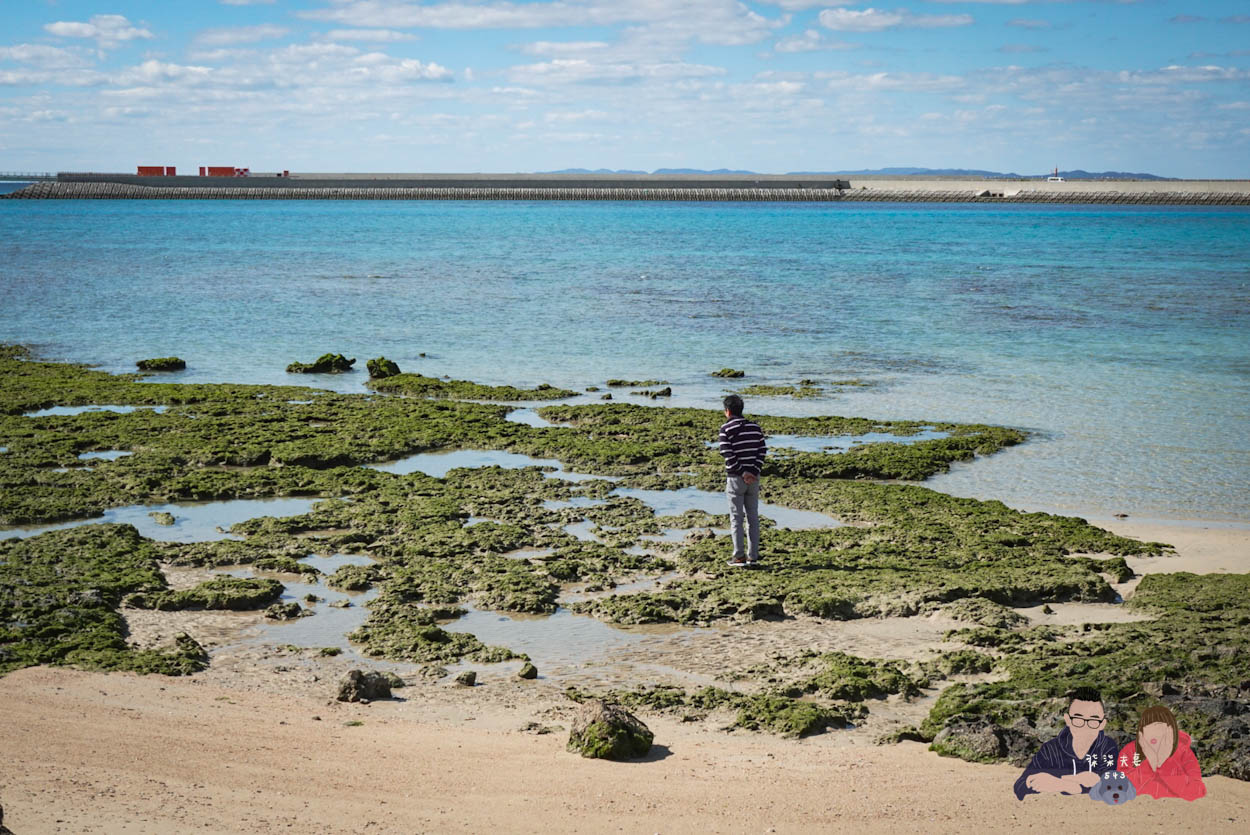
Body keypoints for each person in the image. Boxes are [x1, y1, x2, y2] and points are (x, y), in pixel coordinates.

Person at [1014, 686, 1120, 799]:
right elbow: (1020, 786)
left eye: (1093, 721)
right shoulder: (1051, 749)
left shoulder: (1107, 747)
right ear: (1068, 720)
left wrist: (1065, 783)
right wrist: (1069, 783)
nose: (1085, 727)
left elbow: (1111, 785)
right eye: (1078, 720)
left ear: (1103, 724)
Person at [1118, 704, 1206, 800]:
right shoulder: (1130, 751)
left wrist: (1164, 763)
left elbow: (1197, 791)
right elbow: (1120, 787)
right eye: (1148, 728)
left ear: (1170, 731)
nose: (1154, 734)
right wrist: (1150, 762)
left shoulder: (1183, 752)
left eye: (1159, 728)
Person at [718, 394, 766, 567]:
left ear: (727, 411)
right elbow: (762, 450)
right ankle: (753, 556)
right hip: (754, 478)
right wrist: (752, 471)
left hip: (735, 478)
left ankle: (739, 556)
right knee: (753, 517)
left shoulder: (726, 429)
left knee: (736, 518)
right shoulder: (755, 428)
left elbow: (727, 455)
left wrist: (742, 472)